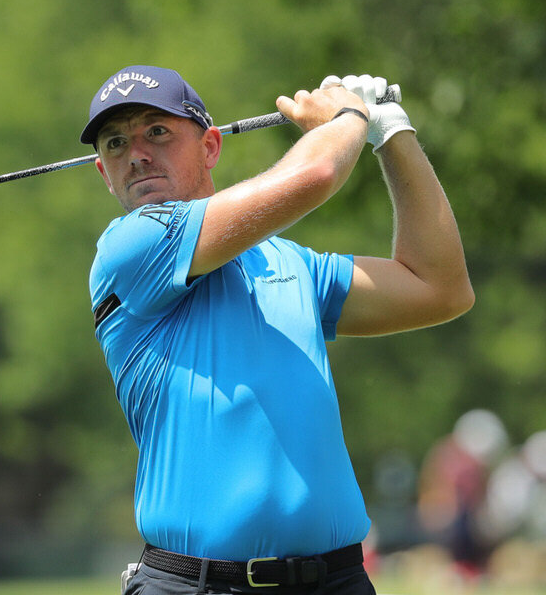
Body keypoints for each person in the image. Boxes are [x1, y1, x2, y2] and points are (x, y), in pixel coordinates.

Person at [82, 66, 474, 595]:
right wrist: (348, 116)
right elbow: (315, 176)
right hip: (198, 587)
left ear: (210, 147)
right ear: (104, 173)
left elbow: (440, 288)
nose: (137, 153)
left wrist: (392, 133)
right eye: (115, 142)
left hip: (337, 583)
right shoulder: (128, 251)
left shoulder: (291, 265)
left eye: (157, 131)